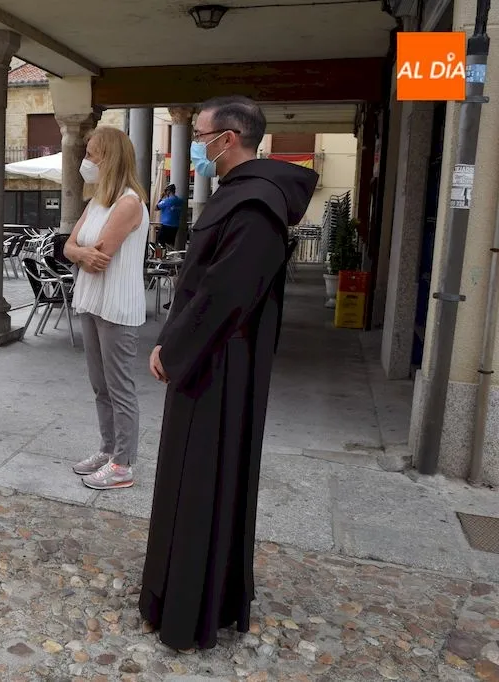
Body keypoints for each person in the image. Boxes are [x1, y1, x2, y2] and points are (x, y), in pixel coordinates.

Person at [139, 96, 317, 650]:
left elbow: (225, 294)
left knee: (205, 481)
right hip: (208, 358)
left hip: (220, 364)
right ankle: (174, 592)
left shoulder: (256, 205)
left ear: (230, 137)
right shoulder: (241, 196)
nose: (194, 146)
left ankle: (193, 608)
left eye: (200, 135)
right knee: (187, 478)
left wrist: (174, 348)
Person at [63, 126, 149, 490]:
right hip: (92, 301)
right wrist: (80, 252)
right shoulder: (97, 201)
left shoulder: (129, 202)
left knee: (119, 387)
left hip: (116, 304)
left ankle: (123, 464)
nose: (87, 160)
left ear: (110, 158)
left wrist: (79, 253)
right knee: (100, 385)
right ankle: (108, 448)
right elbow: (68, 245)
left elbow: (102, 254)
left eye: (93, 153)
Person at [155, 184, 184, 248]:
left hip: (166, 225)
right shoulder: (180, 201)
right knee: (170, 243)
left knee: (160, 242)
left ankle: (163, 256)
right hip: (175, 225)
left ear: (168, 191)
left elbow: (156, 208)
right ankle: (170, 256)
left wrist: (161, 198)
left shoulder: (166, 201)